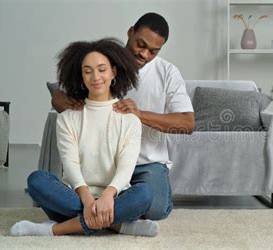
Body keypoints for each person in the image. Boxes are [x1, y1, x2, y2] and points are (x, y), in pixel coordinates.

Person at [52, 13, 195, 220]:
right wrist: (61, 100)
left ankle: (87, 216)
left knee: (154, 208)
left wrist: (139, 114)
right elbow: (60, 93)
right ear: (130, 32)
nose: (145, 54)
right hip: (102, 163)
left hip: (146, 164)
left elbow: (187, 123)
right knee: (42, 183)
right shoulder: (105, 60)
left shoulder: (168, 72)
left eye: (154, 51)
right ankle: (114, 215)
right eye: (141, 44)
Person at [10, 38, 159, 237]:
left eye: (101, 69)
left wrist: (107, 195)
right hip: (75, 196)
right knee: (36, 180)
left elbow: (127, 166)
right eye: (87, 71)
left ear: (113, 72)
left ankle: (54, 229)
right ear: (81, 77)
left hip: (114, 197)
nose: (95, 77)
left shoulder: (129, 119)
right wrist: (88, 200)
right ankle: (117, 225)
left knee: (145, 194)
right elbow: (70, 164)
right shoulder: (67, 118)